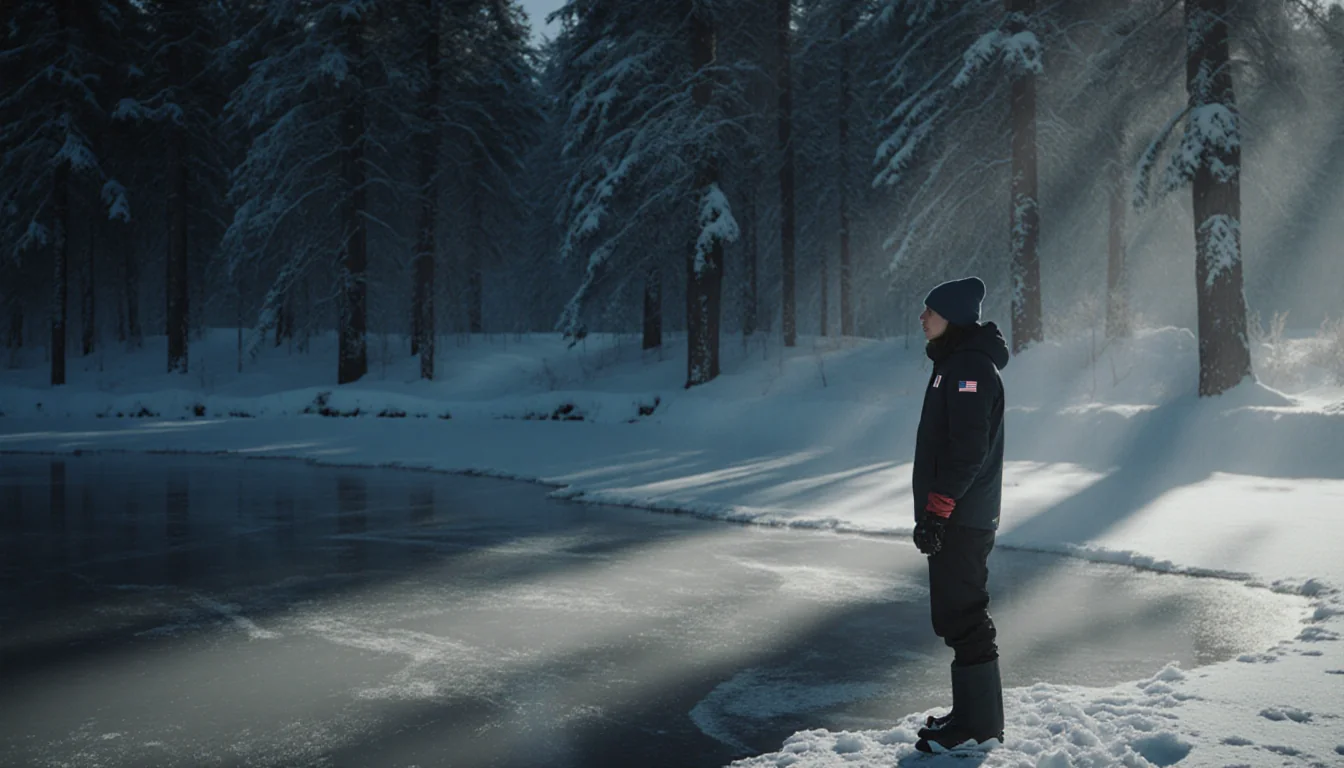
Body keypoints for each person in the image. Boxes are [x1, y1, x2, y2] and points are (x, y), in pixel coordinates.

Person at [910, 276, 1010, 754]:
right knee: (956, 613)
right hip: (958, 515)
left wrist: (938, 509)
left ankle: (980, 724)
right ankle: (973, 715)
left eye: (930, 310)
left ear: (951, 316)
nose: (922, 317)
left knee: (964, 614)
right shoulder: (954, 364)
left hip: (962, 517)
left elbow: (967, 451)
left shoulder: (970, 367)